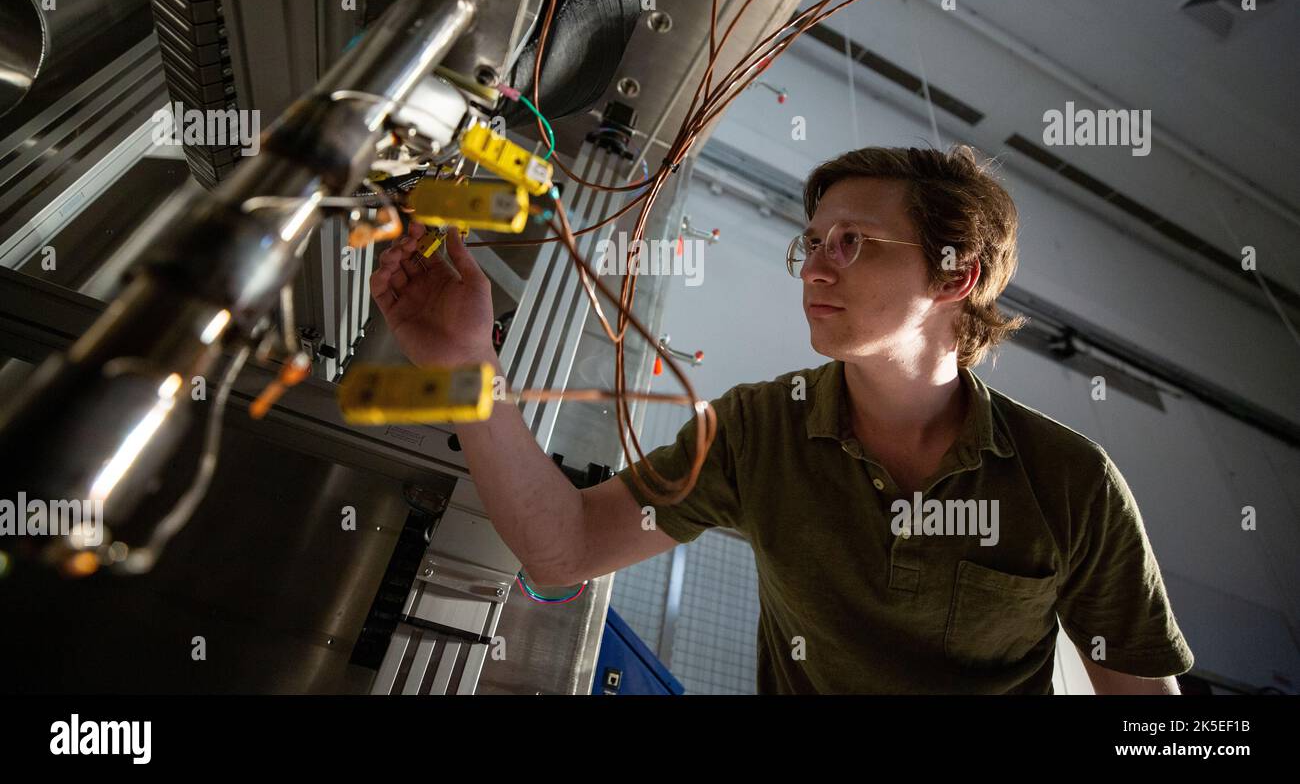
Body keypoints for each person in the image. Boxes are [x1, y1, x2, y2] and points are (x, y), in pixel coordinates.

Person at [370, 144, 1193, 694]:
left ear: (953, 276)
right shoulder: (761, 431)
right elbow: (567, 547)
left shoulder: (1071, 482)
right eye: (813, 242)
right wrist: (465, 366)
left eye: (854, 242)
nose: (814, 267)